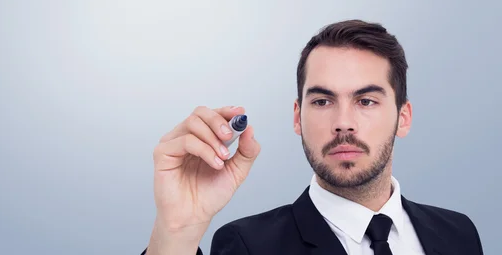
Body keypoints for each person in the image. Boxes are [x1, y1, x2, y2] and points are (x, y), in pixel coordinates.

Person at [141, 19, 484, 255]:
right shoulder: (248, 246)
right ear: (297, 117)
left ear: (403, 117)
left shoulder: (458, 234)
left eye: (366, 101)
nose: (343, 123)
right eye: (322, 101)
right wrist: (176, 231)